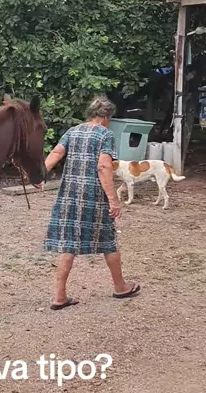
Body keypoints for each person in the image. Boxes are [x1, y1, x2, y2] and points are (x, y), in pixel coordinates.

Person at [44, 96, 140, 309]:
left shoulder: (73, 131)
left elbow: (57, 152)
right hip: (94, 196)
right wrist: (113, 200)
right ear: (107, 116)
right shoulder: (106, 134)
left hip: (69, 194)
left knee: (69, 243)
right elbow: (104, 167)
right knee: (108, 240)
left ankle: (59, 296)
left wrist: (41, 174)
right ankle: (120, 286)